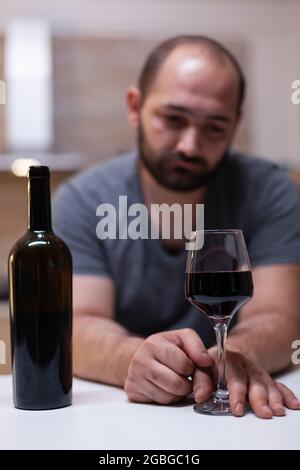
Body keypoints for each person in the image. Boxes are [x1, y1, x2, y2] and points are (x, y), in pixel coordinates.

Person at [53, 35, 300, 418]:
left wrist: (235, 356)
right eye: (173, 119)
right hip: (121, 420)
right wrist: (131, 358)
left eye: (215, 126)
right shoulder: (83, 200)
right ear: (135, 107)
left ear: (236, 124)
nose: (190, 144)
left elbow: (280, 317)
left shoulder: (270, 193)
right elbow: (77, 325)